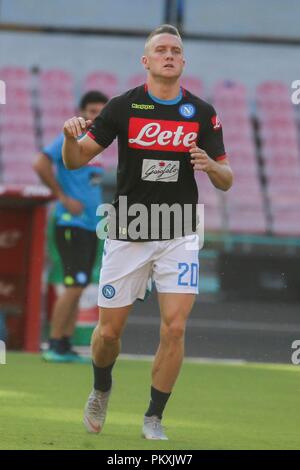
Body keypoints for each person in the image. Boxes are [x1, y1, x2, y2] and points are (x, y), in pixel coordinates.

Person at [62, 25, 233, 438]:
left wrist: (211, 167)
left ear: (183, 61)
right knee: (108, 333)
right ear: (147, 60)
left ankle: (154, 417)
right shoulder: (125, 107)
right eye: (161, 50)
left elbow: (227, 178)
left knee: (175, 327)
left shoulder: (203, 112)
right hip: (128, 228)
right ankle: (101, 388)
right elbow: (76, 159)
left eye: (176, 50)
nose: (169, 55)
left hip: (179, 231)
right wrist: (70, 140)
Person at [34, 90, 109, 363]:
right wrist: (62, 197)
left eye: (102, 111)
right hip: (70, 224)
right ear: (82, 112)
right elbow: (40, 162)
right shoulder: (72, 137)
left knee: (80, 285)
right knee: (73, 285)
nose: (96, 116)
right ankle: (53, 342)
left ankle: (64, 343)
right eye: (91, 111)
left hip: (90, 226)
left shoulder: (100, 143)